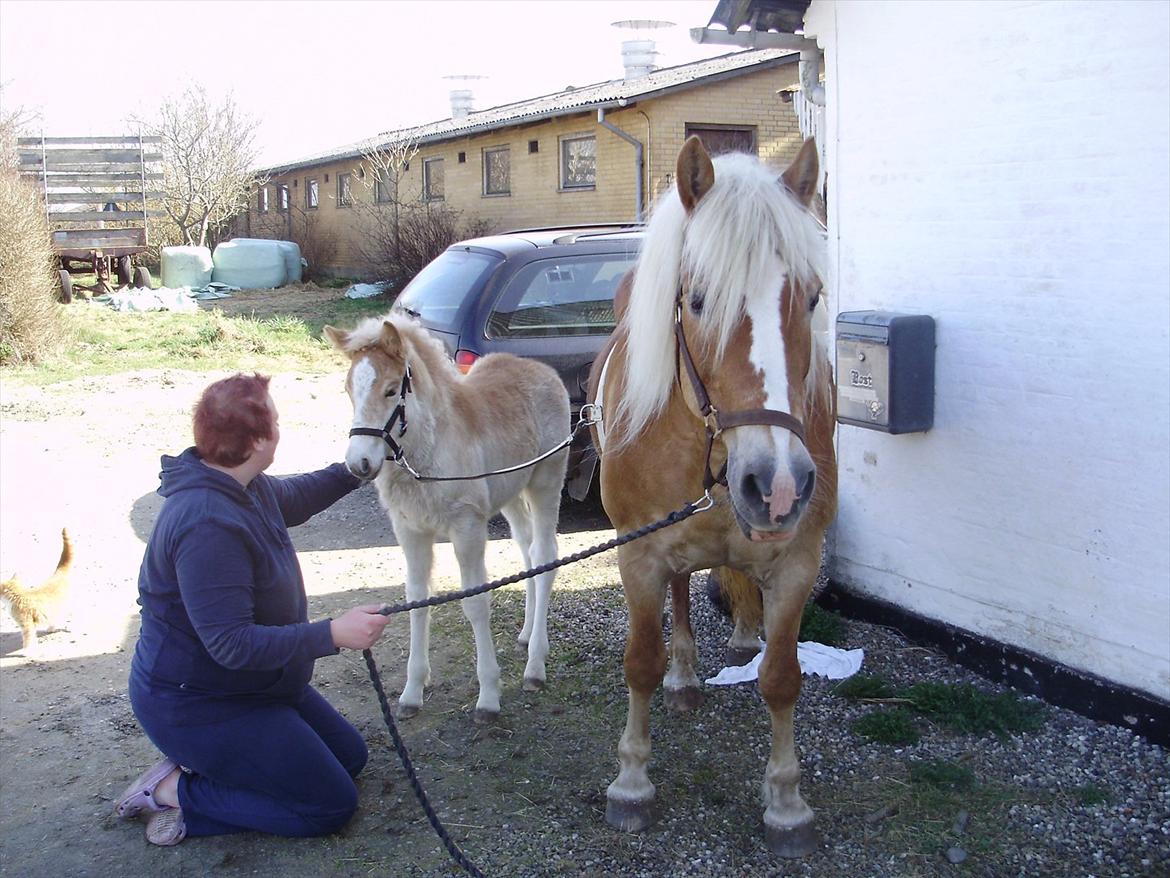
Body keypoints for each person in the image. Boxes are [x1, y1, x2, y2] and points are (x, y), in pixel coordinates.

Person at [115, 372, 392, 846]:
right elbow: (231, 644)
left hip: (255, 684)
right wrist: (332, 633)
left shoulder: (242, 483)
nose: (281, 428)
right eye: (277, 422)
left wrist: (361, 466)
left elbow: (299, 495)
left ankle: (223, 769)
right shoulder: (206, 525)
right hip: (201, 703)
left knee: (350, 758)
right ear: (261, 439)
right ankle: (172, 790)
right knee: (329, 805)